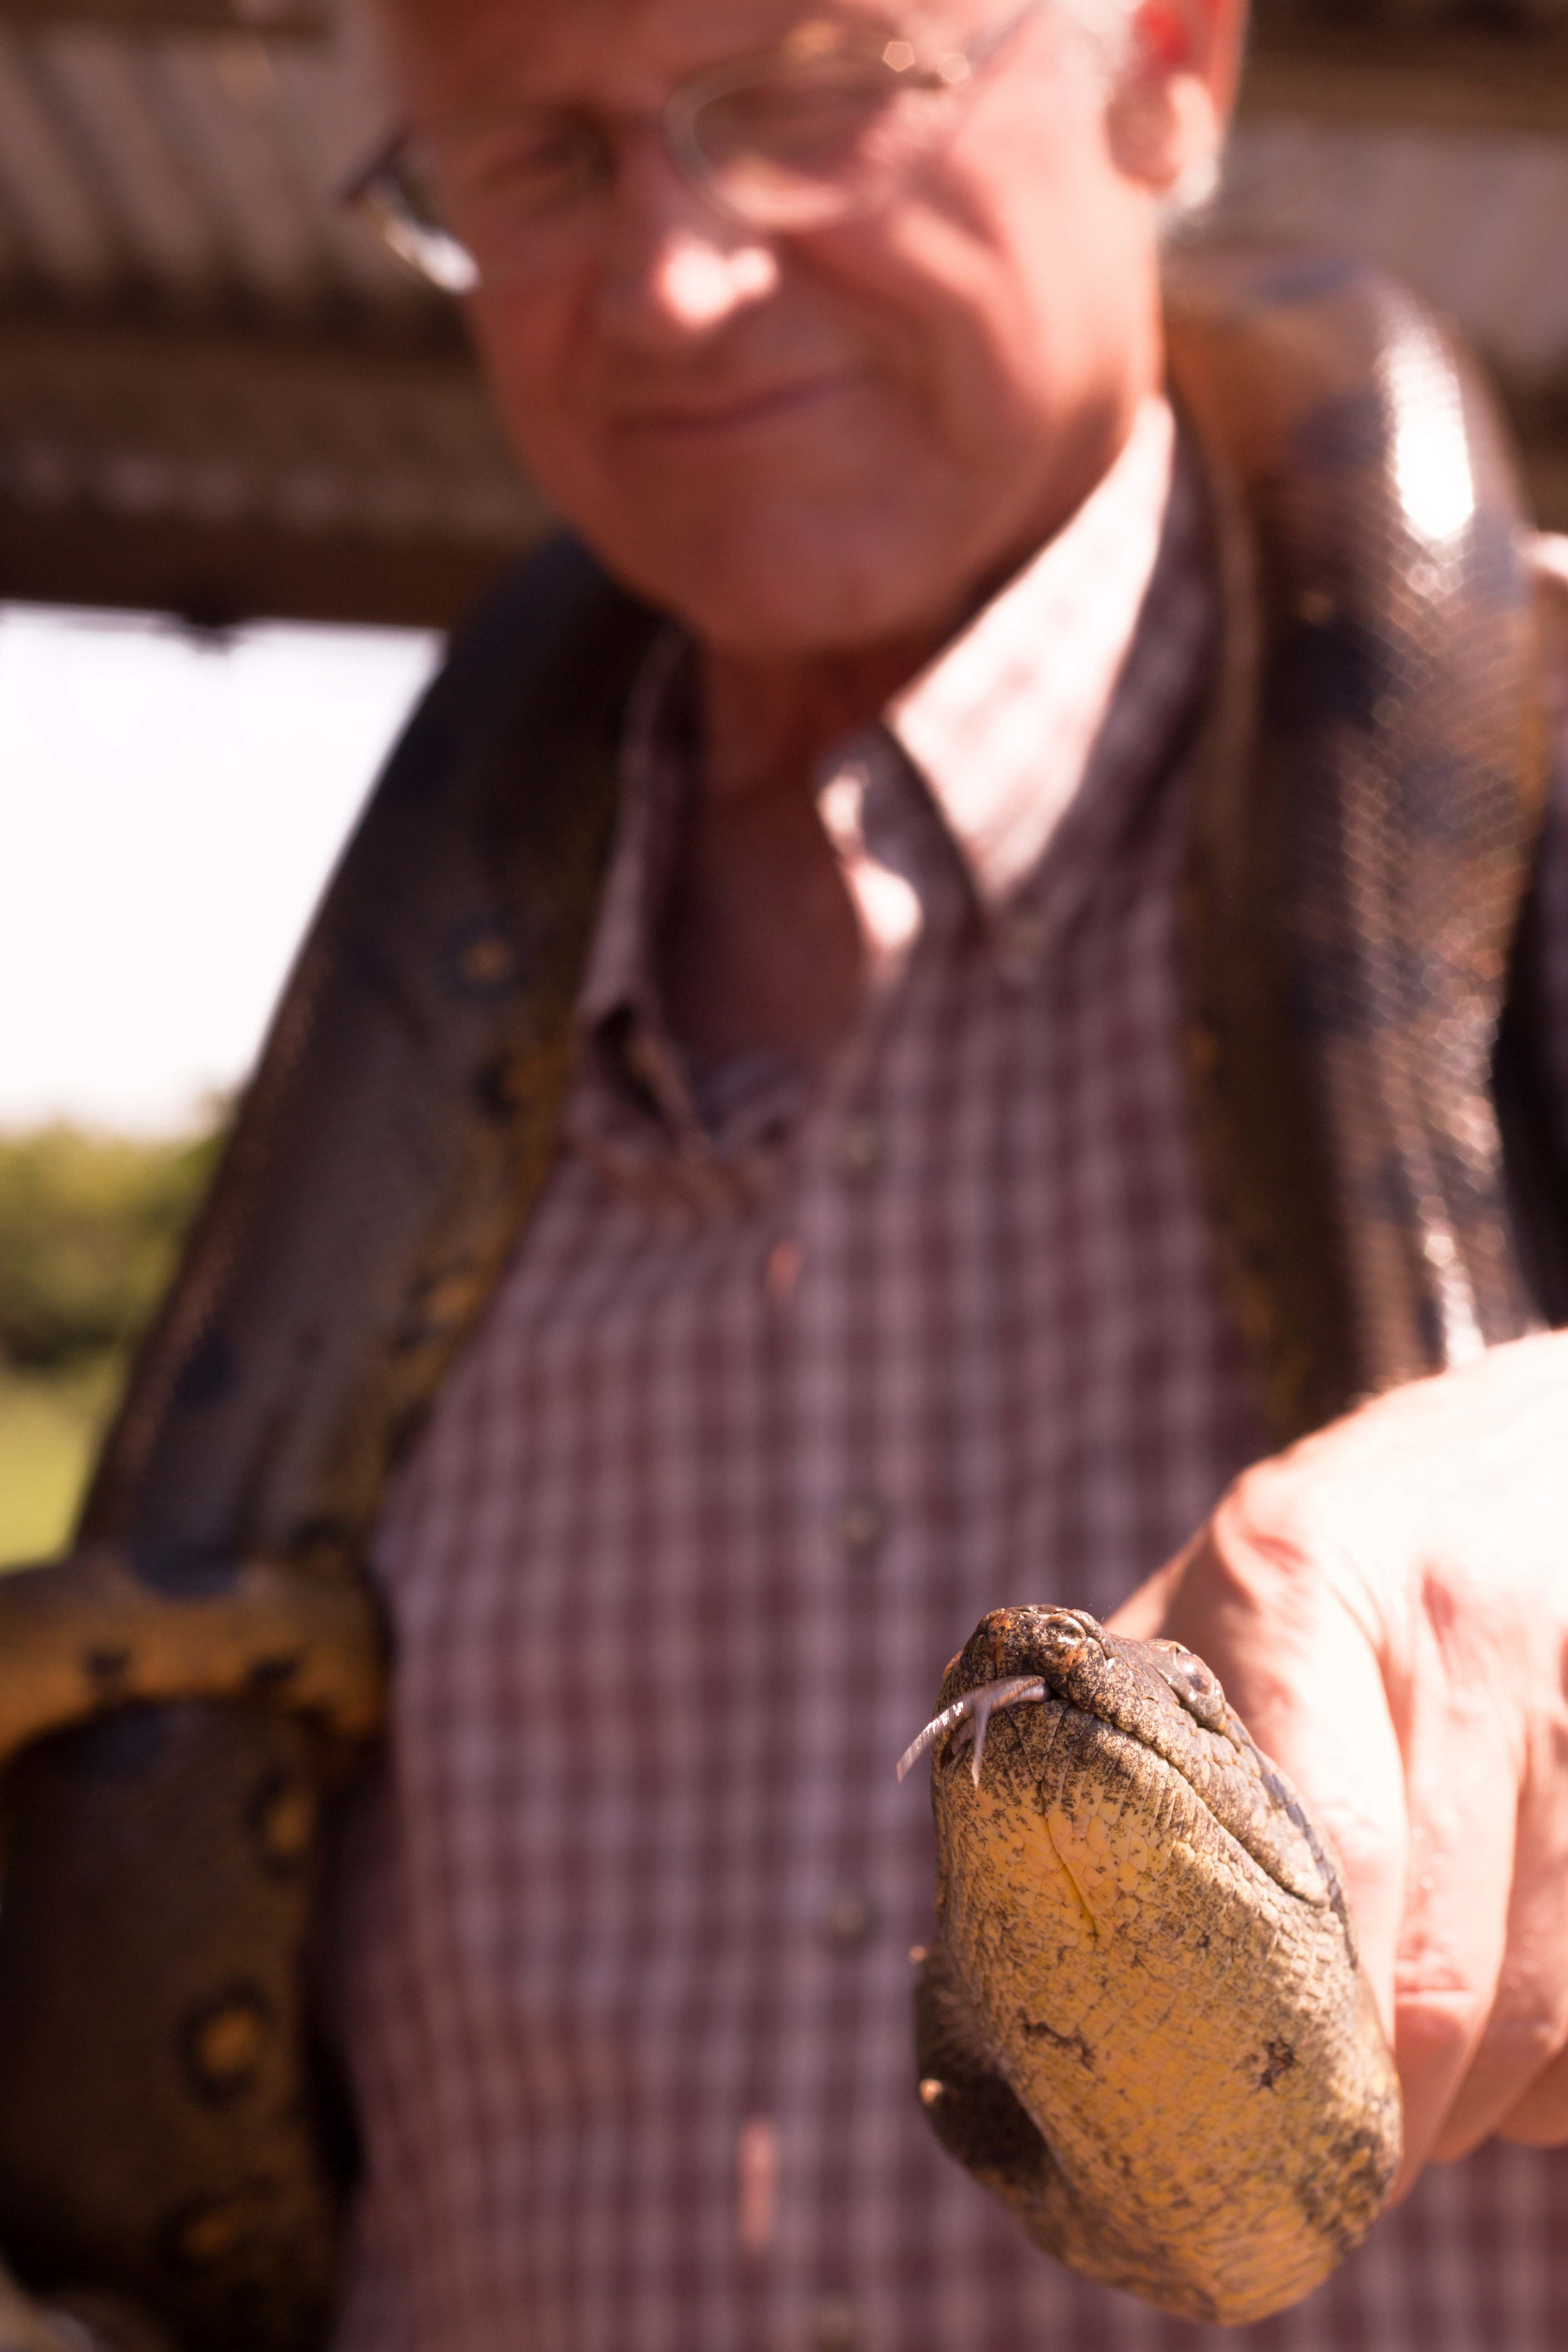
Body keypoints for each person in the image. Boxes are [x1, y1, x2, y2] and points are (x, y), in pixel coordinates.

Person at [317, 0, 1568, 2344]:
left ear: (1169, 68)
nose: (678, 282)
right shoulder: (386, 1025)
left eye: (806, 99)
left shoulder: (1531, 759)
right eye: (538, 162)